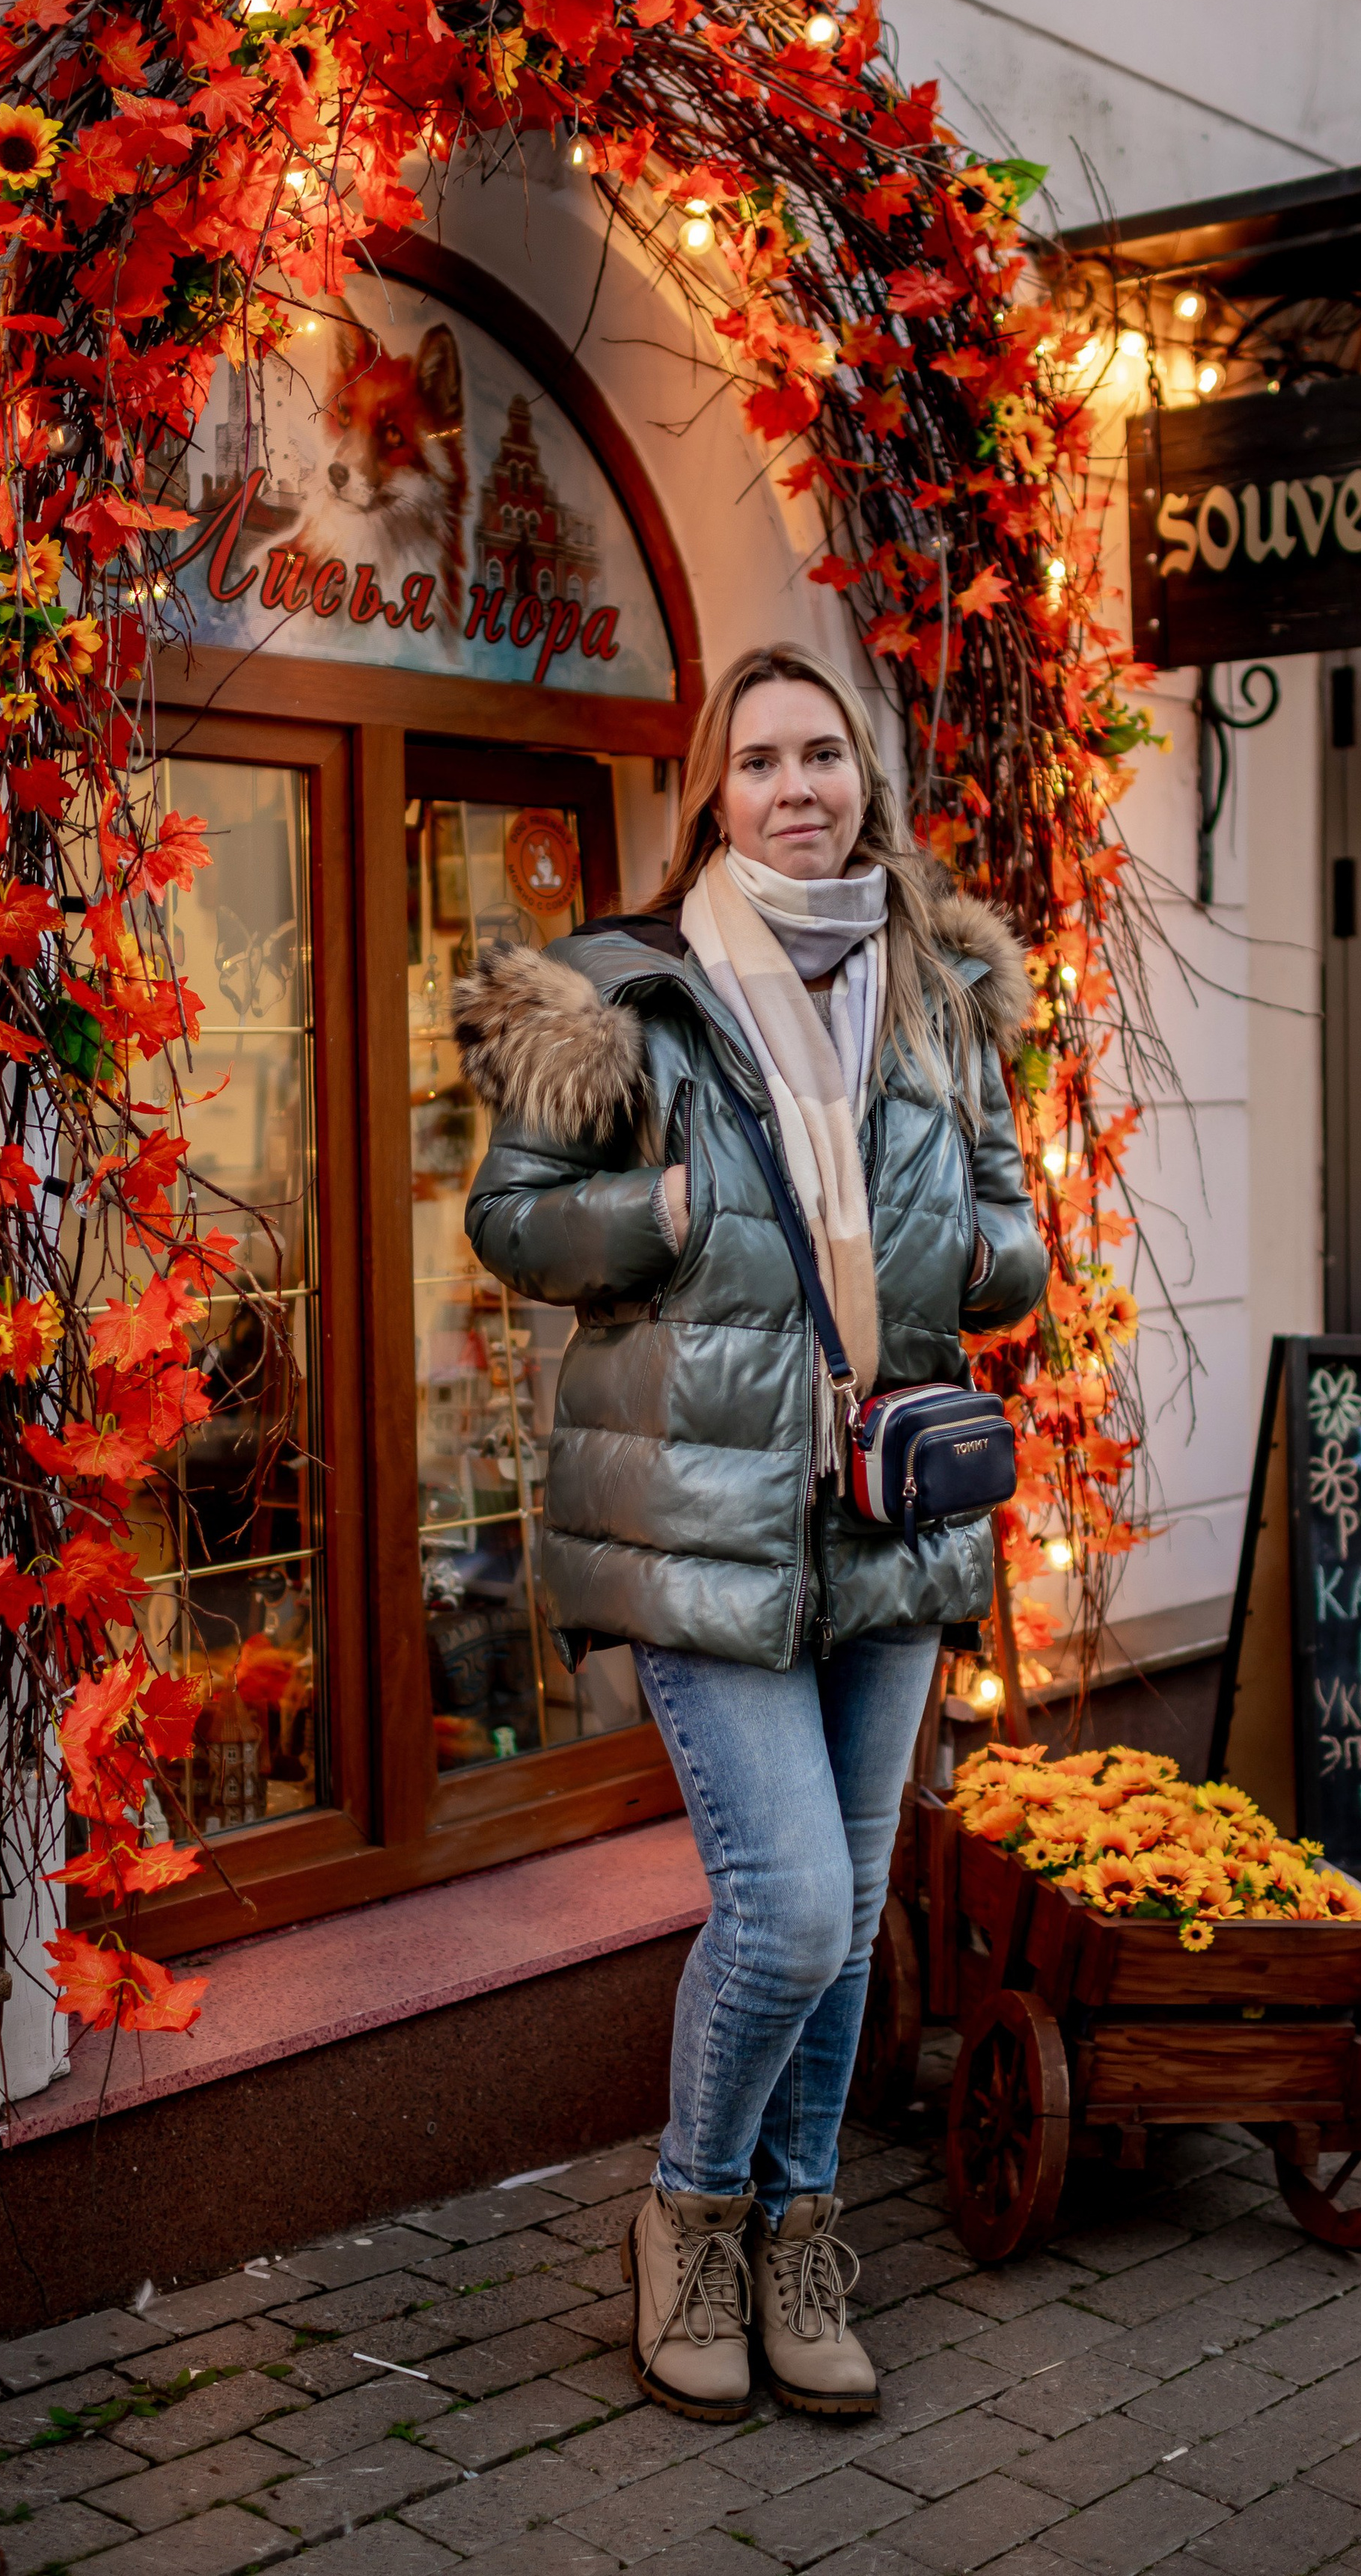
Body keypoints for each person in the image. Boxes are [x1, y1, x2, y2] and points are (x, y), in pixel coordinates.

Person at [456, 645, 1047, 2425]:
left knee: (852, 1908)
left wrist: (969, 1260)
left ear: (863, 773)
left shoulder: (940, 993)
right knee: (787, 1906)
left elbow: (1010, 1230)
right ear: (711, 790)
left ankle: (802, 2233)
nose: (797, 786)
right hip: (703, 1522)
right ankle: (689, 2210)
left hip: (887, 1518)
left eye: (825, 755)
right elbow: (512, 1220)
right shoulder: (623, 994)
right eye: (760, 760)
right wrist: (667, 1202)